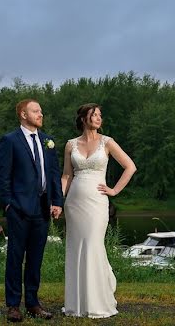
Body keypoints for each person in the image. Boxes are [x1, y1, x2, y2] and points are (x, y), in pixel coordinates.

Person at [61, 103, 136, 319]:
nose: (98, 118)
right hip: (74, 203)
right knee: (76, 248)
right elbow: (67, 176)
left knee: (93, 245)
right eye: (94, 115)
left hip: (97, 202)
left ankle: (97, 302)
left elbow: (130, 167)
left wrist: (114, 190)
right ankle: (77, 304)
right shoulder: (70, 145)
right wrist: (58, 200)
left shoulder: (108, 142)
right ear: (84, 119)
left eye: (100, 115)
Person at [0, 99, 64, 322]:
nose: (40, 114)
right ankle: (13, 306)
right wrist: (8, 203)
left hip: (43, 208)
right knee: (15, 257)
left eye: (41, 111)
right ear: (23, 115)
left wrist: (57, 201)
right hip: (18, 209)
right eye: (36, 111)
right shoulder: (10, 140)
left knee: (36, 258)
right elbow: (3, 175)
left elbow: (54, 174)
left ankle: (33, 303)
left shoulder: (48, 141)